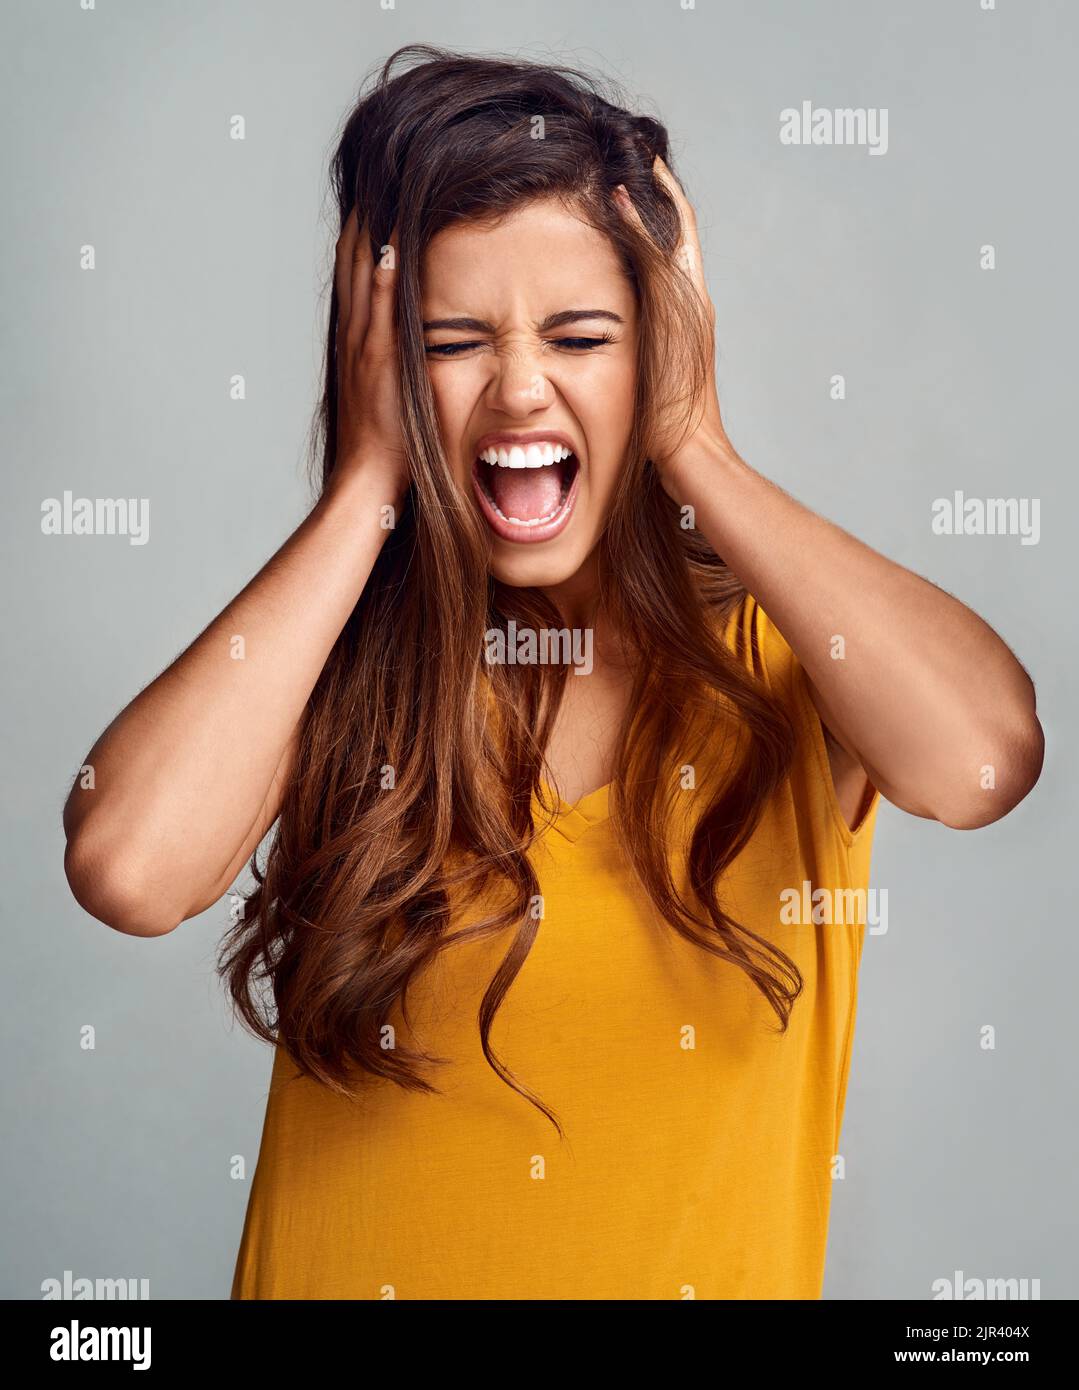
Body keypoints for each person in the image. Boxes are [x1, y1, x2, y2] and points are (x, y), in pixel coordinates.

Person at [62, 45, 1044, 1300]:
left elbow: (980, 760)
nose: (519, 387)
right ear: (380, 364)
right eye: (452, 341)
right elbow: (129, 870)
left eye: (582, 336)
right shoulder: (336, 670)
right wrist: (366, 481)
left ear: (659, 347)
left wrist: (698, 445)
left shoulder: (786, 659)